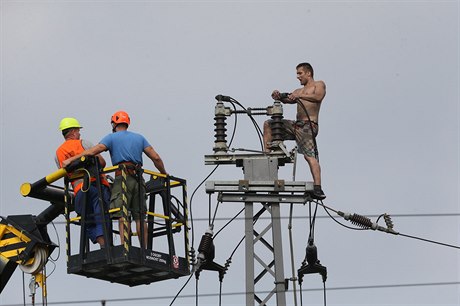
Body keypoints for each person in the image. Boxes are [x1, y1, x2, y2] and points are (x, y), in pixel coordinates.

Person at [63, 111, 167, 247]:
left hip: (122, 178)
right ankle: (145, 251)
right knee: (141, 217)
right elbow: (156, 157)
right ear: (127, 123)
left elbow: (91, 152)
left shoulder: (111, 138)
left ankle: (126, 249)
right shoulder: (140, 138)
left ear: (113, 124)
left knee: (122, 215)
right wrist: (164, 174)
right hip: (138, 178)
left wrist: (71, 159)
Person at [263, 62, 327, 200]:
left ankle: (318, 188)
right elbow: (288, 99)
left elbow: (318, 97)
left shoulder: (319, 84)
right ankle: (267, 158)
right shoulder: (298, 91)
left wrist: (299, 97)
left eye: (300, 73)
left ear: (308, 73)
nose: (298, 77)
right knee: (269, 124)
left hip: (308, 126)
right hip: (296, 125)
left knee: (309, 156)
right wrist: (278, 95)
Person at [55, 117, 111, 247]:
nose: (79, 133)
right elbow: (102, 162)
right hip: (97, 186)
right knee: (102, 215)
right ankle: (107, 248)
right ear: (74, 131)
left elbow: (63, 172)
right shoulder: (83, 144)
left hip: (79, 190)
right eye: (78, 131)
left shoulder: (58, 153)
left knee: (86, 218)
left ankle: (102, 245)